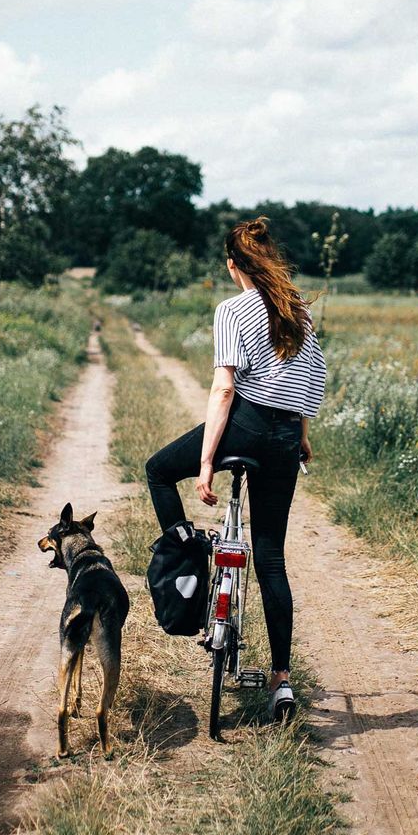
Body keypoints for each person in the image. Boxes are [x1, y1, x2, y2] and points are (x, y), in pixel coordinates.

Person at [144, 217, 327, 721]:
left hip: (243, 427)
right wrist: (302, 438)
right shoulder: (298, 313)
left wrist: (206, 463)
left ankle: (190, 564)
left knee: (159, 470)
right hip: (287, 435)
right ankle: (282, 681)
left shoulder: (232, 309)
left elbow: (225, 389)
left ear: (232, 265)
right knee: (270, 556)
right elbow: (305, 381)